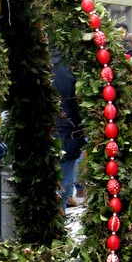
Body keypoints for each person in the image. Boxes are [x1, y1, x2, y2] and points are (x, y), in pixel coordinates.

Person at [51, 46, 85, 210]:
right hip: (67, 133)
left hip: (45, 133)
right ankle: (57, 228)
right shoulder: (71, 68)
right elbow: (79, 105)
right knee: (62, 187)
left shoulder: (40, 66)